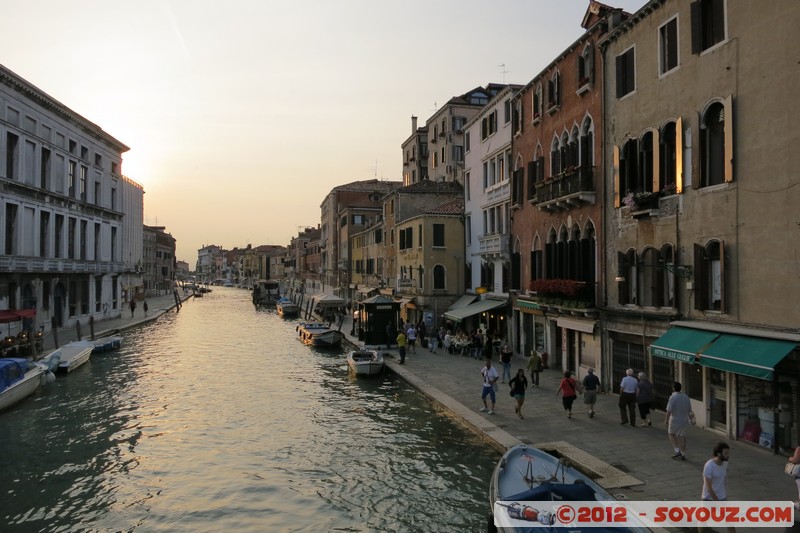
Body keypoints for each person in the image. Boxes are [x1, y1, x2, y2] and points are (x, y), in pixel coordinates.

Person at [665, 381, 693, 460]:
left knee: (671, 434)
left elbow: (669, 410)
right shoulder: (686, 396)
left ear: (673, 388)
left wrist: (666, 420)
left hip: (675, 420)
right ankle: (683, 453)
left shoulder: (672, 397)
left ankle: (677, 450)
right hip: (684, 420)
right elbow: (689, 409)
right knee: (682, 436)